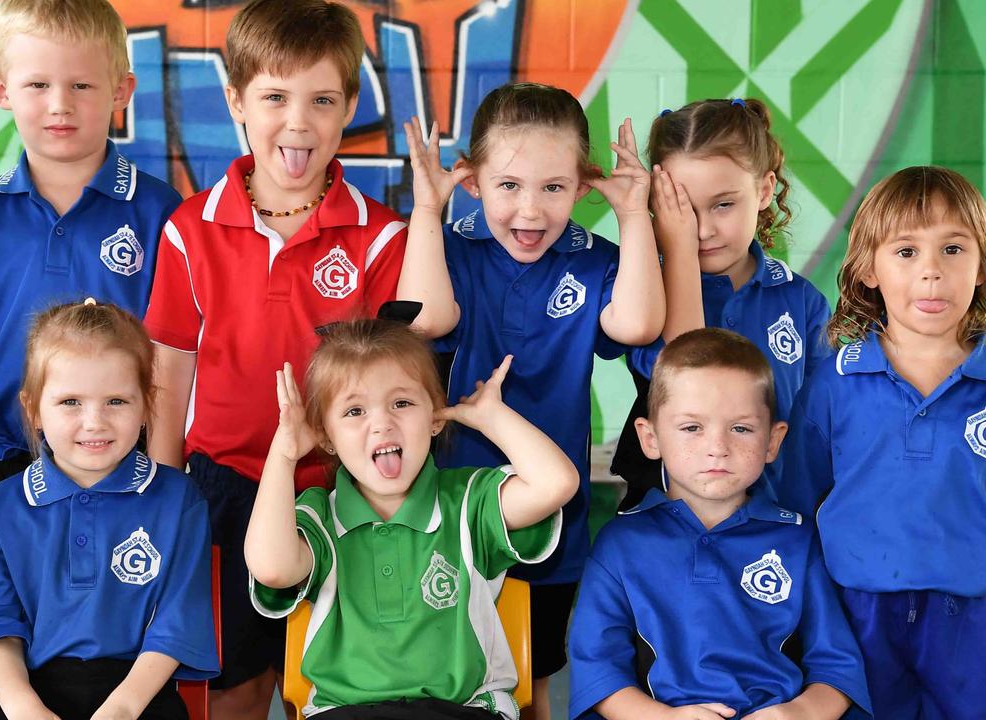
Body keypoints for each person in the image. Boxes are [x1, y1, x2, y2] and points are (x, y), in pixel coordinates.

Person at [142, 1, 408, 714]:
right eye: (274, 98)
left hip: (340, 492)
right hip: (221, 488)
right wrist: (167, 496)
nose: (298, 122)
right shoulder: (188, 230)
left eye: (322, 100)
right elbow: (169, 373)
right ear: (236, 100)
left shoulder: (380, 238)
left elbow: (390, 383)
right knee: (234, 686)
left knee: (330, 683)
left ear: (350, 104)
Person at [398, 82, 663, 716]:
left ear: (582, 187)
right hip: (455, 509)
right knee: (449, 675)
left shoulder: (594, 259)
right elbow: (425, 319)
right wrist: (427, 214)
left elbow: (639, 326)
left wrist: (634, 217)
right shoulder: (455, 249)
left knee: (531, 681)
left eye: (554, 187)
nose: (531, 210)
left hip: (551, 511)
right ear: (473, 183)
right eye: (509, 186)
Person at [0, 0, 181, 562]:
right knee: (4, 632)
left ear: (121, 91)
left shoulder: (160, 213)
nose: (60, 105)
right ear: (0, 88)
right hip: (3, 463)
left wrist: (165, 474)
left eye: (82, 85)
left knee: (114, 633)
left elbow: (174, 357)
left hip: (128, 462)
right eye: (37, 84)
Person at [246, 318, 577, 720]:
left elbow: (556, 483)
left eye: (401, 403)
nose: (382, 422)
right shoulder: (319, 513)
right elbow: (272, 569)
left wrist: (493, 417)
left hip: (463, 708)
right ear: (326, 438)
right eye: (354, 410)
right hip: (345, 711)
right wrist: (282, 456)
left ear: (435, 418)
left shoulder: (468, 501)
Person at [570, 328, 871, 720]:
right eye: (692, 427)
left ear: (772, 441)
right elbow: (598, 673)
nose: (718, 446)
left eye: (741, 428)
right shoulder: (619, 544)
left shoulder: (798, 540)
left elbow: (838, 668)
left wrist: (796, 714)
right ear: (650, 437)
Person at [776, 166, 986, 720]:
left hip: (974, 616)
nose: (933, 273)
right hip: (856, 613)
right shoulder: (834, 382)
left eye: (954, 248)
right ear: (868, 267)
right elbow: (795, 503)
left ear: (982, 264)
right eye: (907, 252)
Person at [0, 300, 218, 720]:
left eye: (116, 401)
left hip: (140, 695)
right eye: (70, 402)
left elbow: (177, 622)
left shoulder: (179, 501)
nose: (94, 422)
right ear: (33, 409)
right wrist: (24, 708)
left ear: (147, 404)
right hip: (30, 693)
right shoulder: (0, 508)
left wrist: (123, 708)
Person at [611, 98, 831, 509]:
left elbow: (826, 426)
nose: (704, 229)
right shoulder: (644, 292)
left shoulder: (802, 302)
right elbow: (690, 368)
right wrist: (676, 246)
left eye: (723, 204)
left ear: (764, 191)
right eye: (683, 209)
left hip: (782, 525)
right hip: (673, 528)